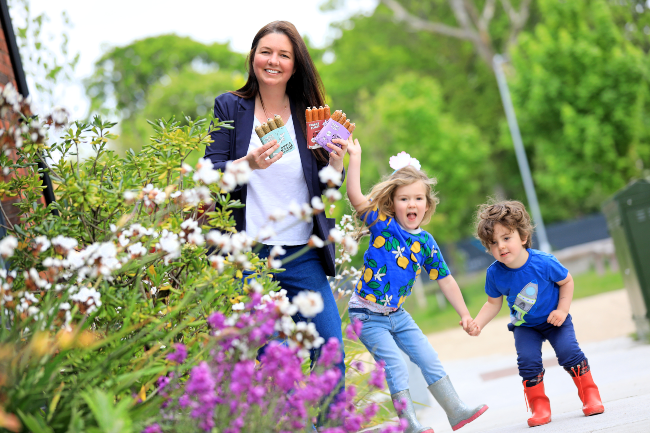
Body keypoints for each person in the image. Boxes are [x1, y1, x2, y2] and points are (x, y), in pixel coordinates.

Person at [203, 21, 347, 390]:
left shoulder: (311, 114)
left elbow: (328, 189)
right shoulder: (231, 107)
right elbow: (209, 174)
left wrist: (336, 161)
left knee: (330, 348)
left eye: (284, 55)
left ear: (295, 65)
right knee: (275, 353)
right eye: (265, 51)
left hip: (302, 252)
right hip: (249, 252)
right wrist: (250, 163)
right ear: (253, 57)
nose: (273, 61)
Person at [341, 141, 488, 433]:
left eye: (418, 199)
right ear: (393, 203)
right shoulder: (383, 224)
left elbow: (445, 278)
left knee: (428, 357)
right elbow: (355, 196)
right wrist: (354, 157)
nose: (412, 204)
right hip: (367, 315)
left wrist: (464, 314)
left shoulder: (426, 243)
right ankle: (409, 425)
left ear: (427, 204)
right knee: (395, 365)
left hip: (397, 314)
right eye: (404, 199)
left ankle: (456, 411)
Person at [470, 200, 605, 427]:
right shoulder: (494, 274)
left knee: (569, 352)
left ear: (522, 237)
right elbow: (492, 304)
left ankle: (590, 394)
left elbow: (567, 281)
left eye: (506, 238)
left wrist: (562, 310)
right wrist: (478, 324)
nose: (501, 246)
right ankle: (539, 406)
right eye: (493, 243)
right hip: (525, 326)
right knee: (528, 362)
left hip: (555, 320)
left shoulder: (543, 262)